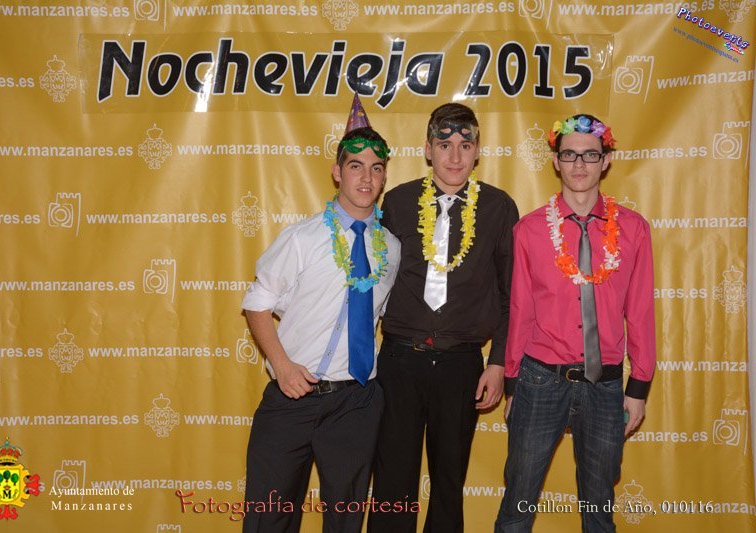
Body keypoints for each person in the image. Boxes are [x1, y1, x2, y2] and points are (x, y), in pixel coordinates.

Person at [241, 110, 400, 533]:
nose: (366, 178)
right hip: (292, 396)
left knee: (346, 521)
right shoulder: (302, 237)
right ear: (336, 172)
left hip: (357, 401)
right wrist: (282, 366)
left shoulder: (392, 248)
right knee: (268, 517)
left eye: (376, 168)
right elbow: (257, 303)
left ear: (384, 177)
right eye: (355, 166)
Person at [494, 114, 656, 532]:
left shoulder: (634, 229)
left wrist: (638, 387)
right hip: (539, 381)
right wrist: (512, 386)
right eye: (569, 154)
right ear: (555, 161)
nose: (579, 164)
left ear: (606, 161)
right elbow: (521, 312)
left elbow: (640, 311)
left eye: (590, 155)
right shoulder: (529, 230)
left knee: (599, 508)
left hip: (605, 387)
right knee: (518, 502)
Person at [369, 102, 519, 533]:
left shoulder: (498, 207)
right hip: (400, 361)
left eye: (465, 146)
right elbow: (374, 280)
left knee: (449, 482)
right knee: (392, 480)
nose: (455, 156)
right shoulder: (397, 202)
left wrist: (499, 363)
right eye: (444, 144)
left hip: (461, 364)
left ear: (478, 152)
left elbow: (512, 296)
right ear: (427, 150)